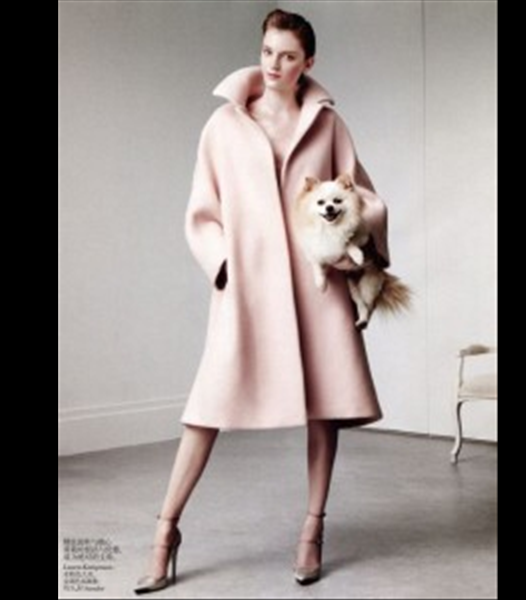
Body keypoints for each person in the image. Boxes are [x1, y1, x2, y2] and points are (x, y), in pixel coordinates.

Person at [135, 9, 391, 594]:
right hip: (247, 283)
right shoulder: (224, 125)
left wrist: (352, 247)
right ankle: (165, 531)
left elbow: (360, 194)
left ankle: (312, 529)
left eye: (288, 56)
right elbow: (202, 208)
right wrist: (223, 265)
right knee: (206, 410)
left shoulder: (327, 124)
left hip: (317, 283)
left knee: (325, 405)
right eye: (268, 52)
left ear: (309, 63)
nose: (274, 65)